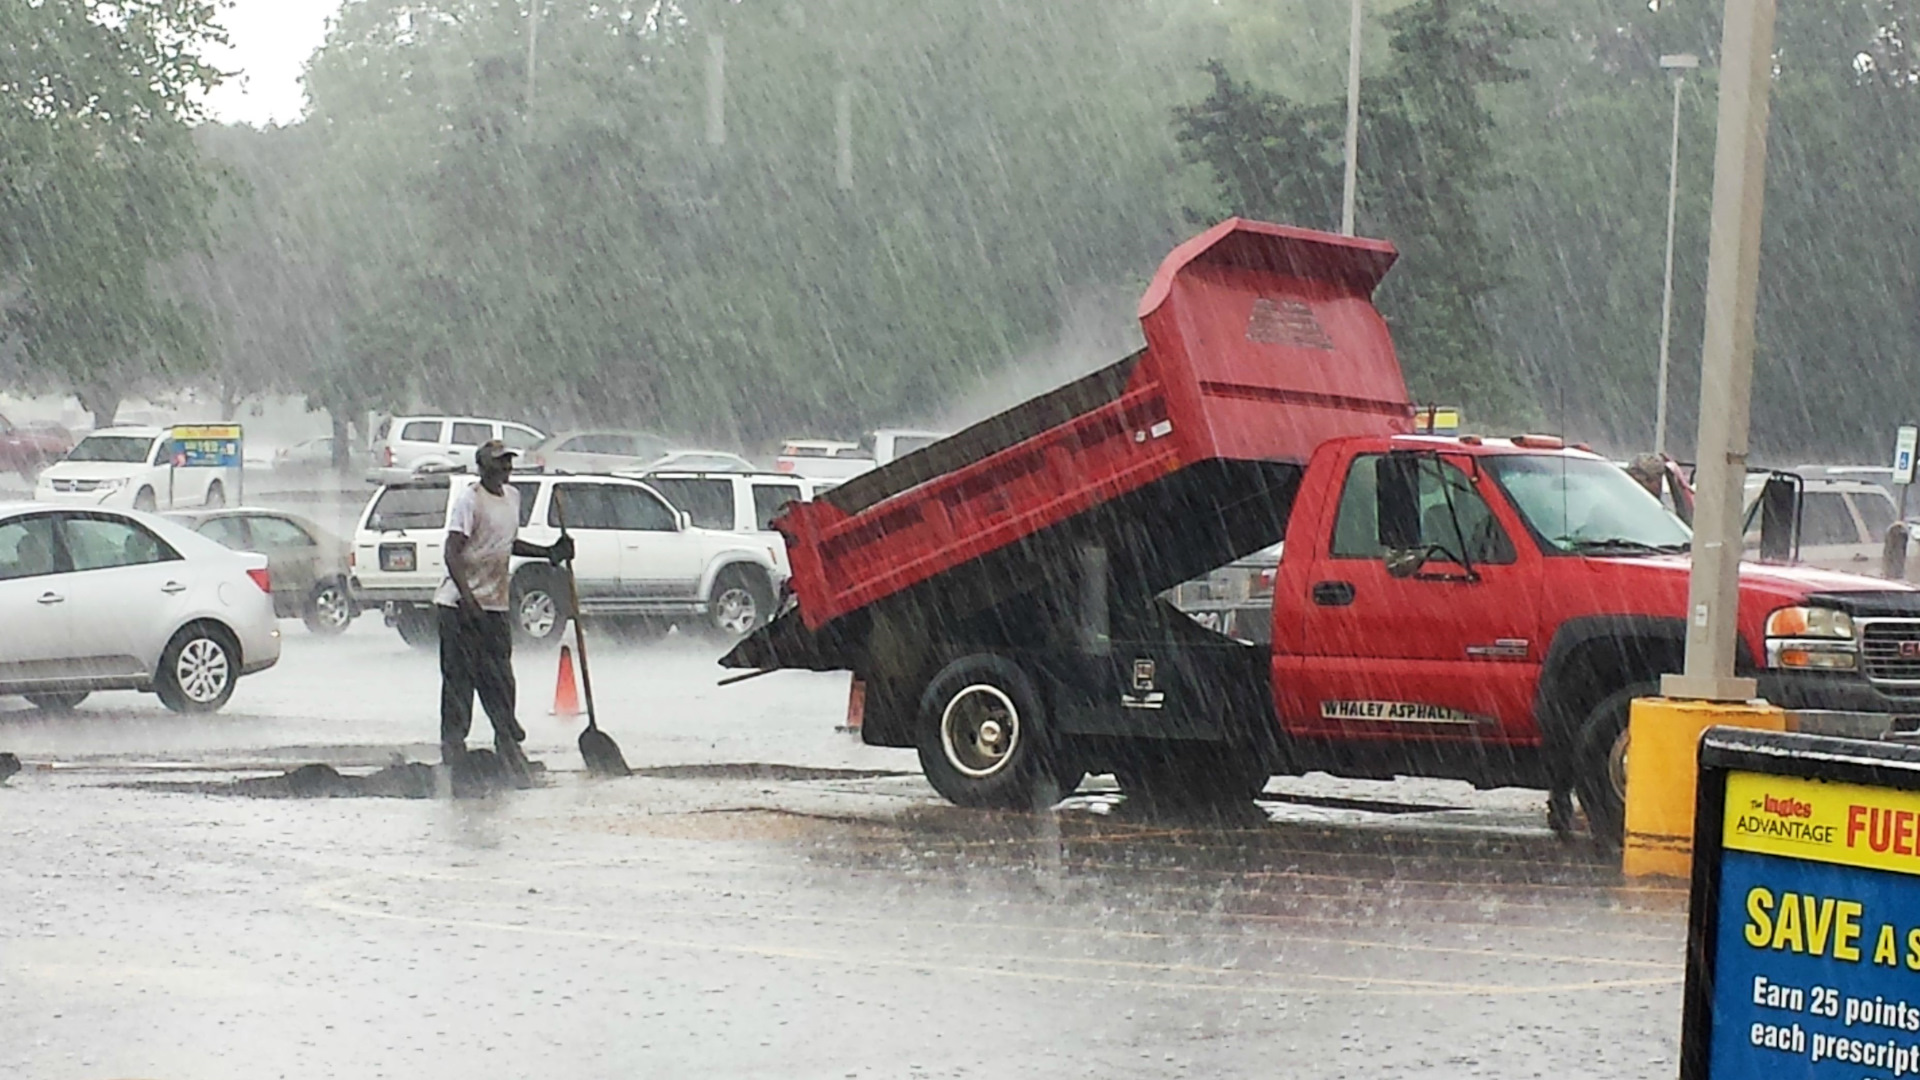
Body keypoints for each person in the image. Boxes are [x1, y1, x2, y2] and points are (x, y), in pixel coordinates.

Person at [436, 439, 573, 788]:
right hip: (459, 607)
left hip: (495, 605)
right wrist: (467, 599)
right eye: (498, 464)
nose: (505, 469)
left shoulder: (512, 498)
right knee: (460, 680)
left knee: (500, 677)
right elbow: (452, 552)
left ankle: (507, 742)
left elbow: (506, 544)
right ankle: (454, 751)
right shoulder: (470, 499)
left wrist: (550, 553)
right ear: (483, 468)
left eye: (508, 463)